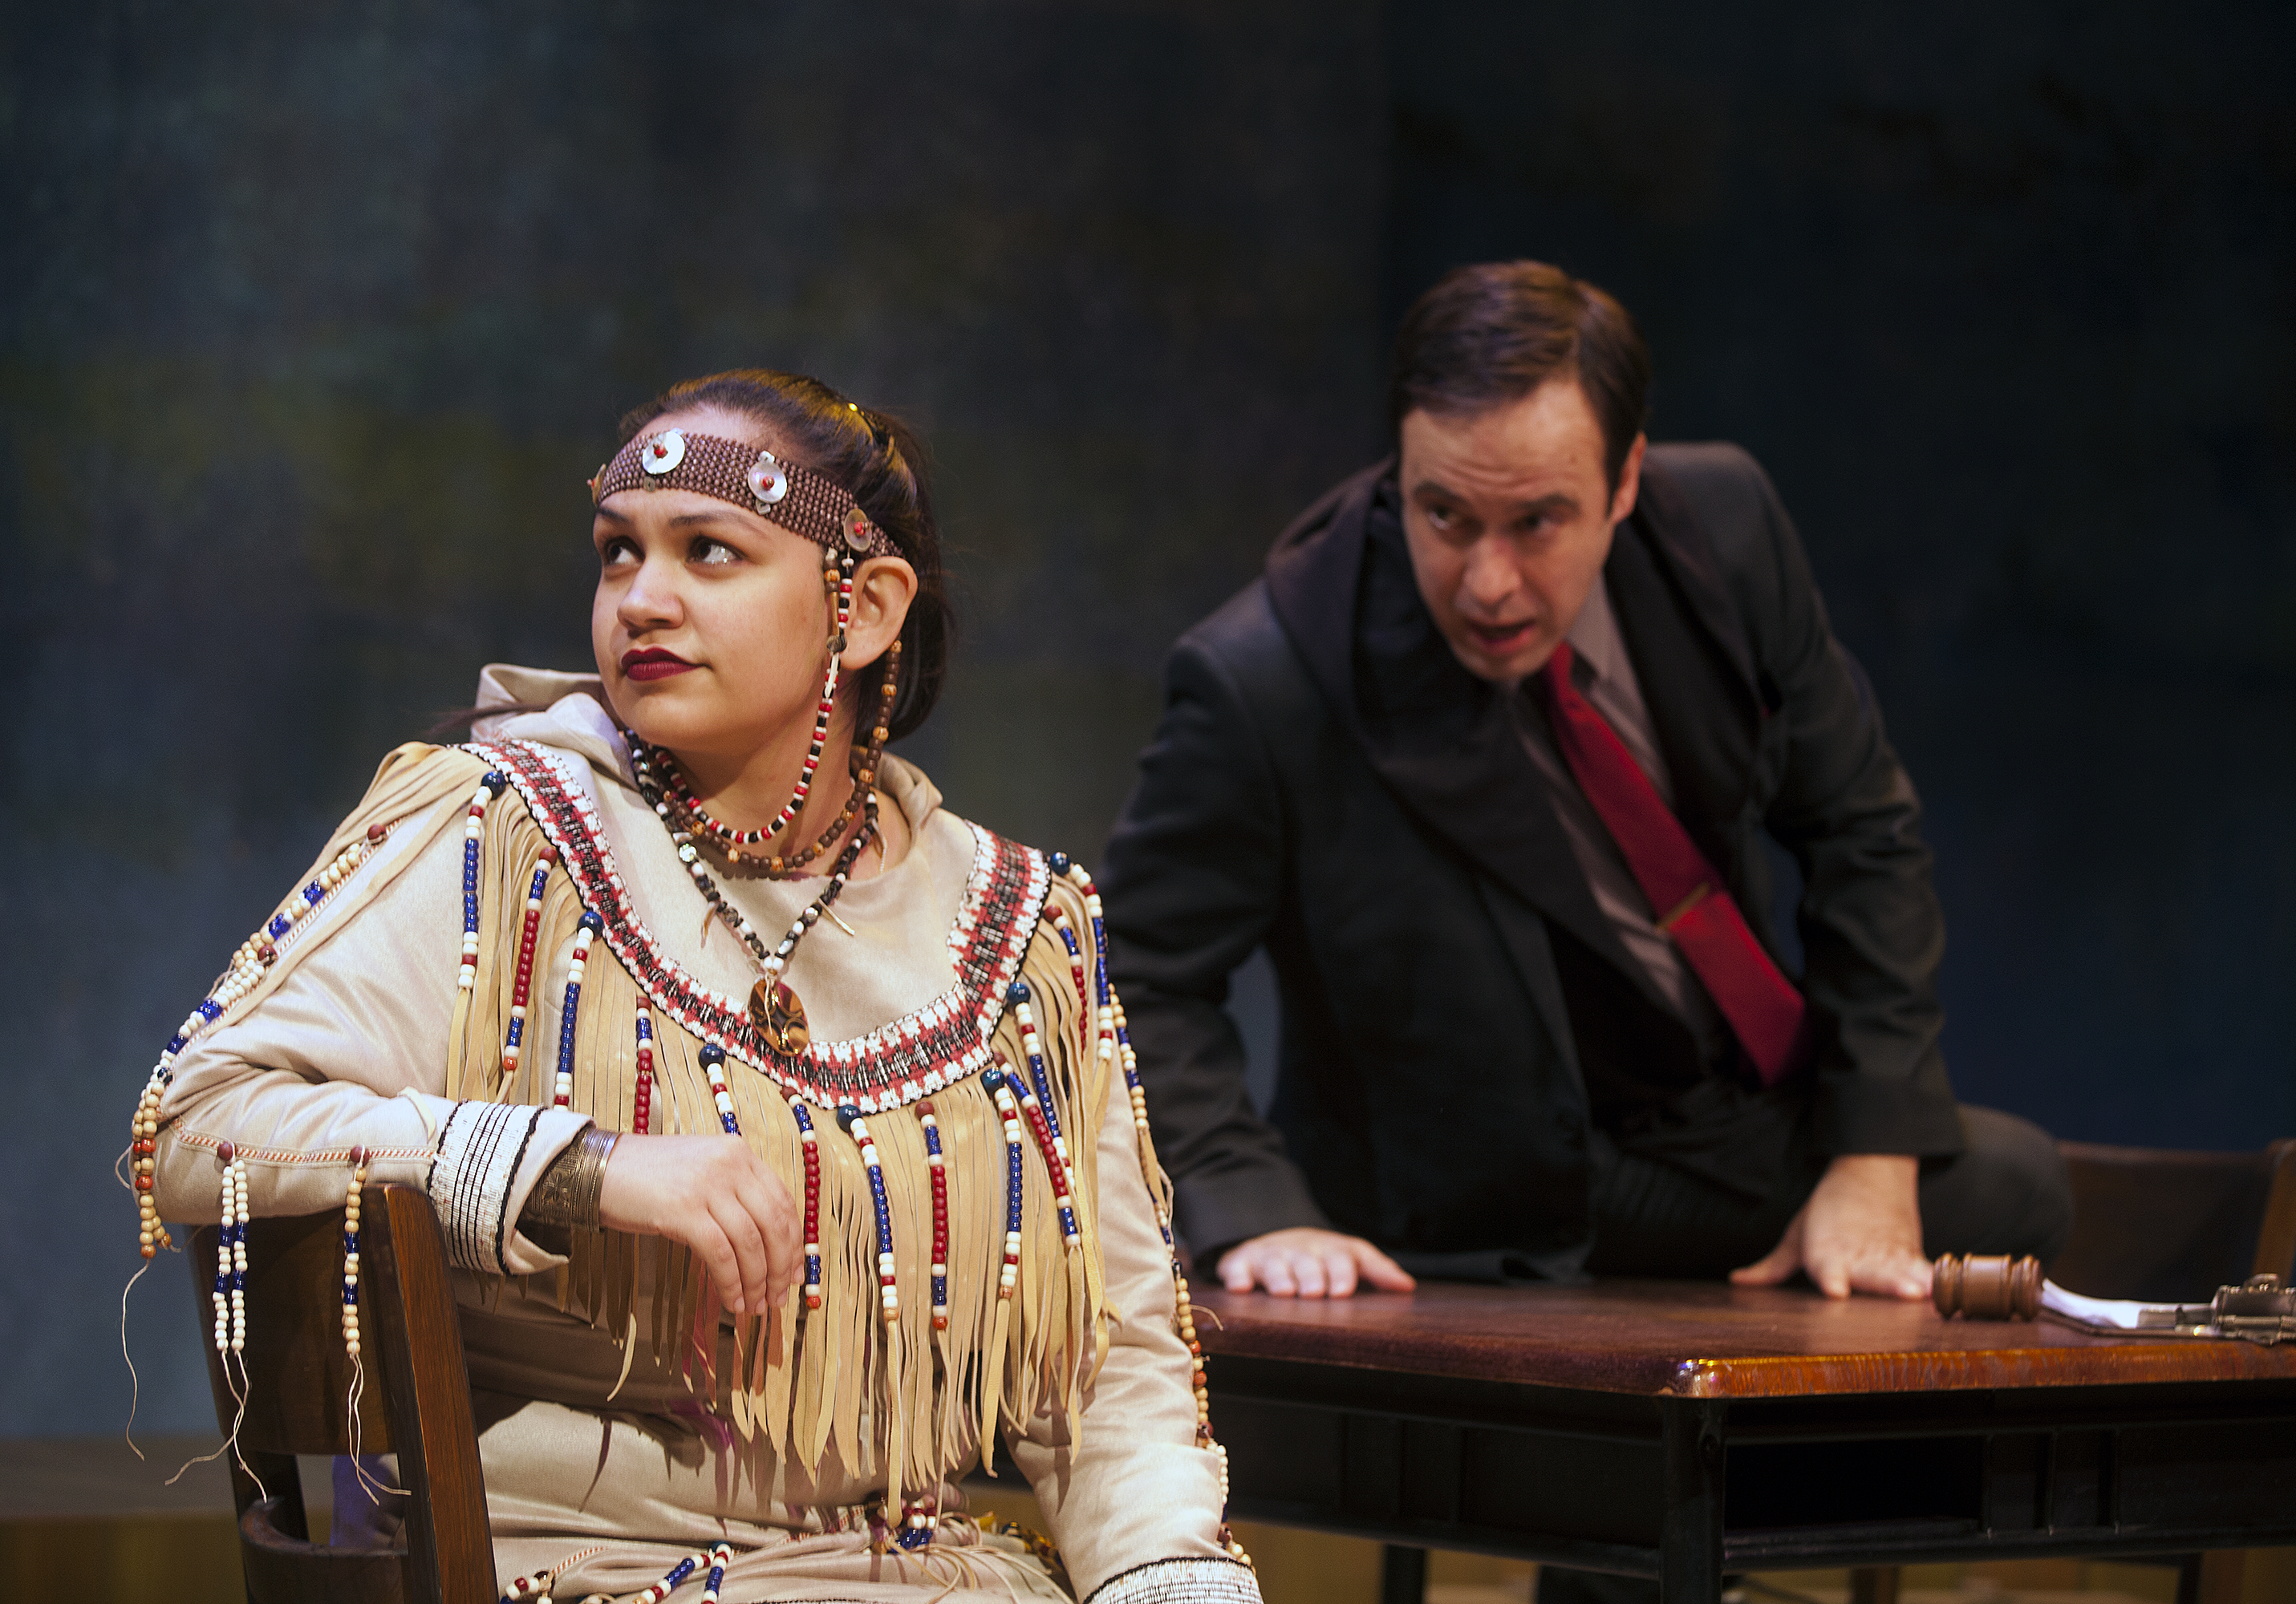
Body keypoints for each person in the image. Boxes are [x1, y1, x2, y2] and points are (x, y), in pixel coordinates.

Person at [125, 371, 1260, 1604]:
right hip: (564, 1567)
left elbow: (1110, 1363)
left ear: (867, 609)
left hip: (917, 1573)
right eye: (618, 553)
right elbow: (199, 1119)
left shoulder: (1018, 931)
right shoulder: (502, 834)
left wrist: (1170, 1578)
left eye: (708, 552)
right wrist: (578, 1168)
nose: (641, 599)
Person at [1101, 261, 2073, 1310]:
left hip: (1720, 1101)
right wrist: (1252, 1203)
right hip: (1480, 1182)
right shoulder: (1264, 676)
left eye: (1537, 521)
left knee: (1997, 1179)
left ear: (1625, 482)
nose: (1488, 584)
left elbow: (1861, 829)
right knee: (2008, 1185)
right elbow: (1132, 969)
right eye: (1443, 514)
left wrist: (1872, 1162)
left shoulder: (1725, 528)